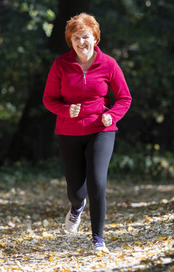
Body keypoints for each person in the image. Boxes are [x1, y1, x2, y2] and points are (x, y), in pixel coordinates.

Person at [43, 13, 131, 254]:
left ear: (95, 38)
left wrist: (112, 115)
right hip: (68, 130)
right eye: (76, 38)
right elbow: (49, 99)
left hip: (101, 129)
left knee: (97, 182)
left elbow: (124, 97)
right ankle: (76, 206)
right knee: (76, 190)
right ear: (70, 41)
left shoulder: (109, 64)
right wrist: (65, 110)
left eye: (86, 37)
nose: (82, 42)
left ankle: (98, 239)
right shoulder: (61, 64)